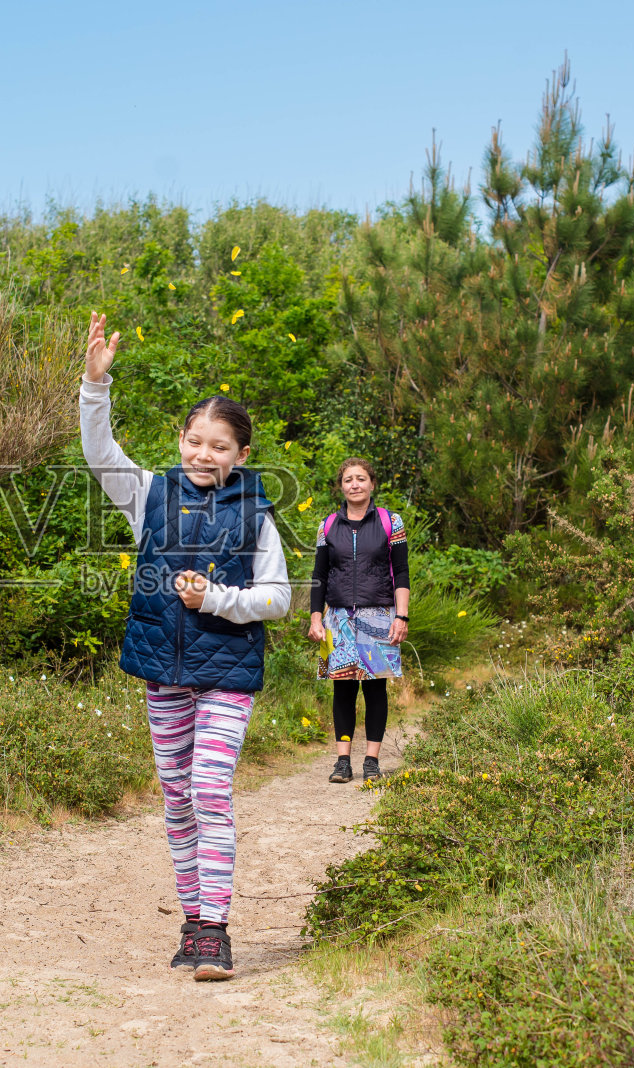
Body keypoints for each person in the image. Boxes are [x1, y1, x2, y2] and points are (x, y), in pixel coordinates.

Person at [80, 312, 291, 982]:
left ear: (242, 456)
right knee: (176, 799)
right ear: (181, 442)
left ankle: (218, 933)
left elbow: (279, 598)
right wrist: (94, 386)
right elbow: (99, 452)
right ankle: (193, 921)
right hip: (162, 674)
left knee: (208, 790)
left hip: (226, 671)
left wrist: (220, 601)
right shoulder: (148, 493)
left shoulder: (257, 513)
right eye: (195, 441)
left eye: (220, 446)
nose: (204, 454)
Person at [307, 458, 410, 783]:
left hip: (379, 616)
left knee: (376, 690)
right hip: (337, 619)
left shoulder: (390, 522)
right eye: (348, 479)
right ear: (341, 486)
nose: (355, 484)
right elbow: (319, 576)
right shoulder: (327, 526)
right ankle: (342, 761)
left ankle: (371, 761)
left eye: (361, 478)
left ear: (371, 484)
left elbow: (402, 572)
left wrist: (402, 616)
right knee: (343, 690)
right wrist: (315, 618)